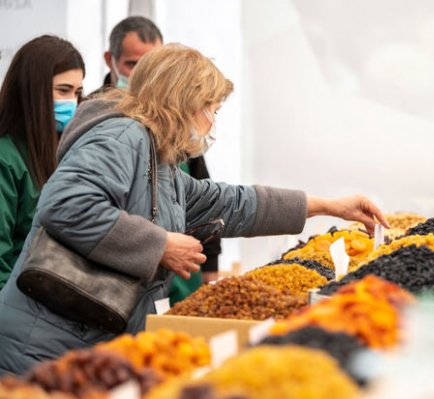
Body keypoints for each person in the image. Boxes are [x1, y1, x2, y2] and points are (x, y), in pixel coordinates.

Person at [0, 43, 388, 375]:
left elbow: (229, 202)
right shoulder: (121, 135)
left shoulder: (159, 158)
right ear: (183, 100)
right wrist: (160, 245)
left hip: (88, 334)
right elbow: (66, 205)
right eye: (212, 108)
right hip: (45, 342)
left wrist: (328, 206)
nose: (213, 120)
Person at [96, 15, 220, 299]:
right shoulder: (99, 120)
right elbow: (79, 210)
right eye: (134, 64)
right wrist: (158, 244)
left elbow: (208, 195)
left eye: (155, 64)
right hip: (121, 282)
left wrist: (211, 266)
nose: (146, 74)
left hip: (181, 274)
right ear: (110, 59)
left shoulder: (174, 119)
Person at [0, 35, 84, 291]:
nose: (73, 102)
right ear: (31, 89)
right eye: (63, 90)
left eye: (78, 92)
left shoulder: (68, 150)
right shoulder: (7, 158)